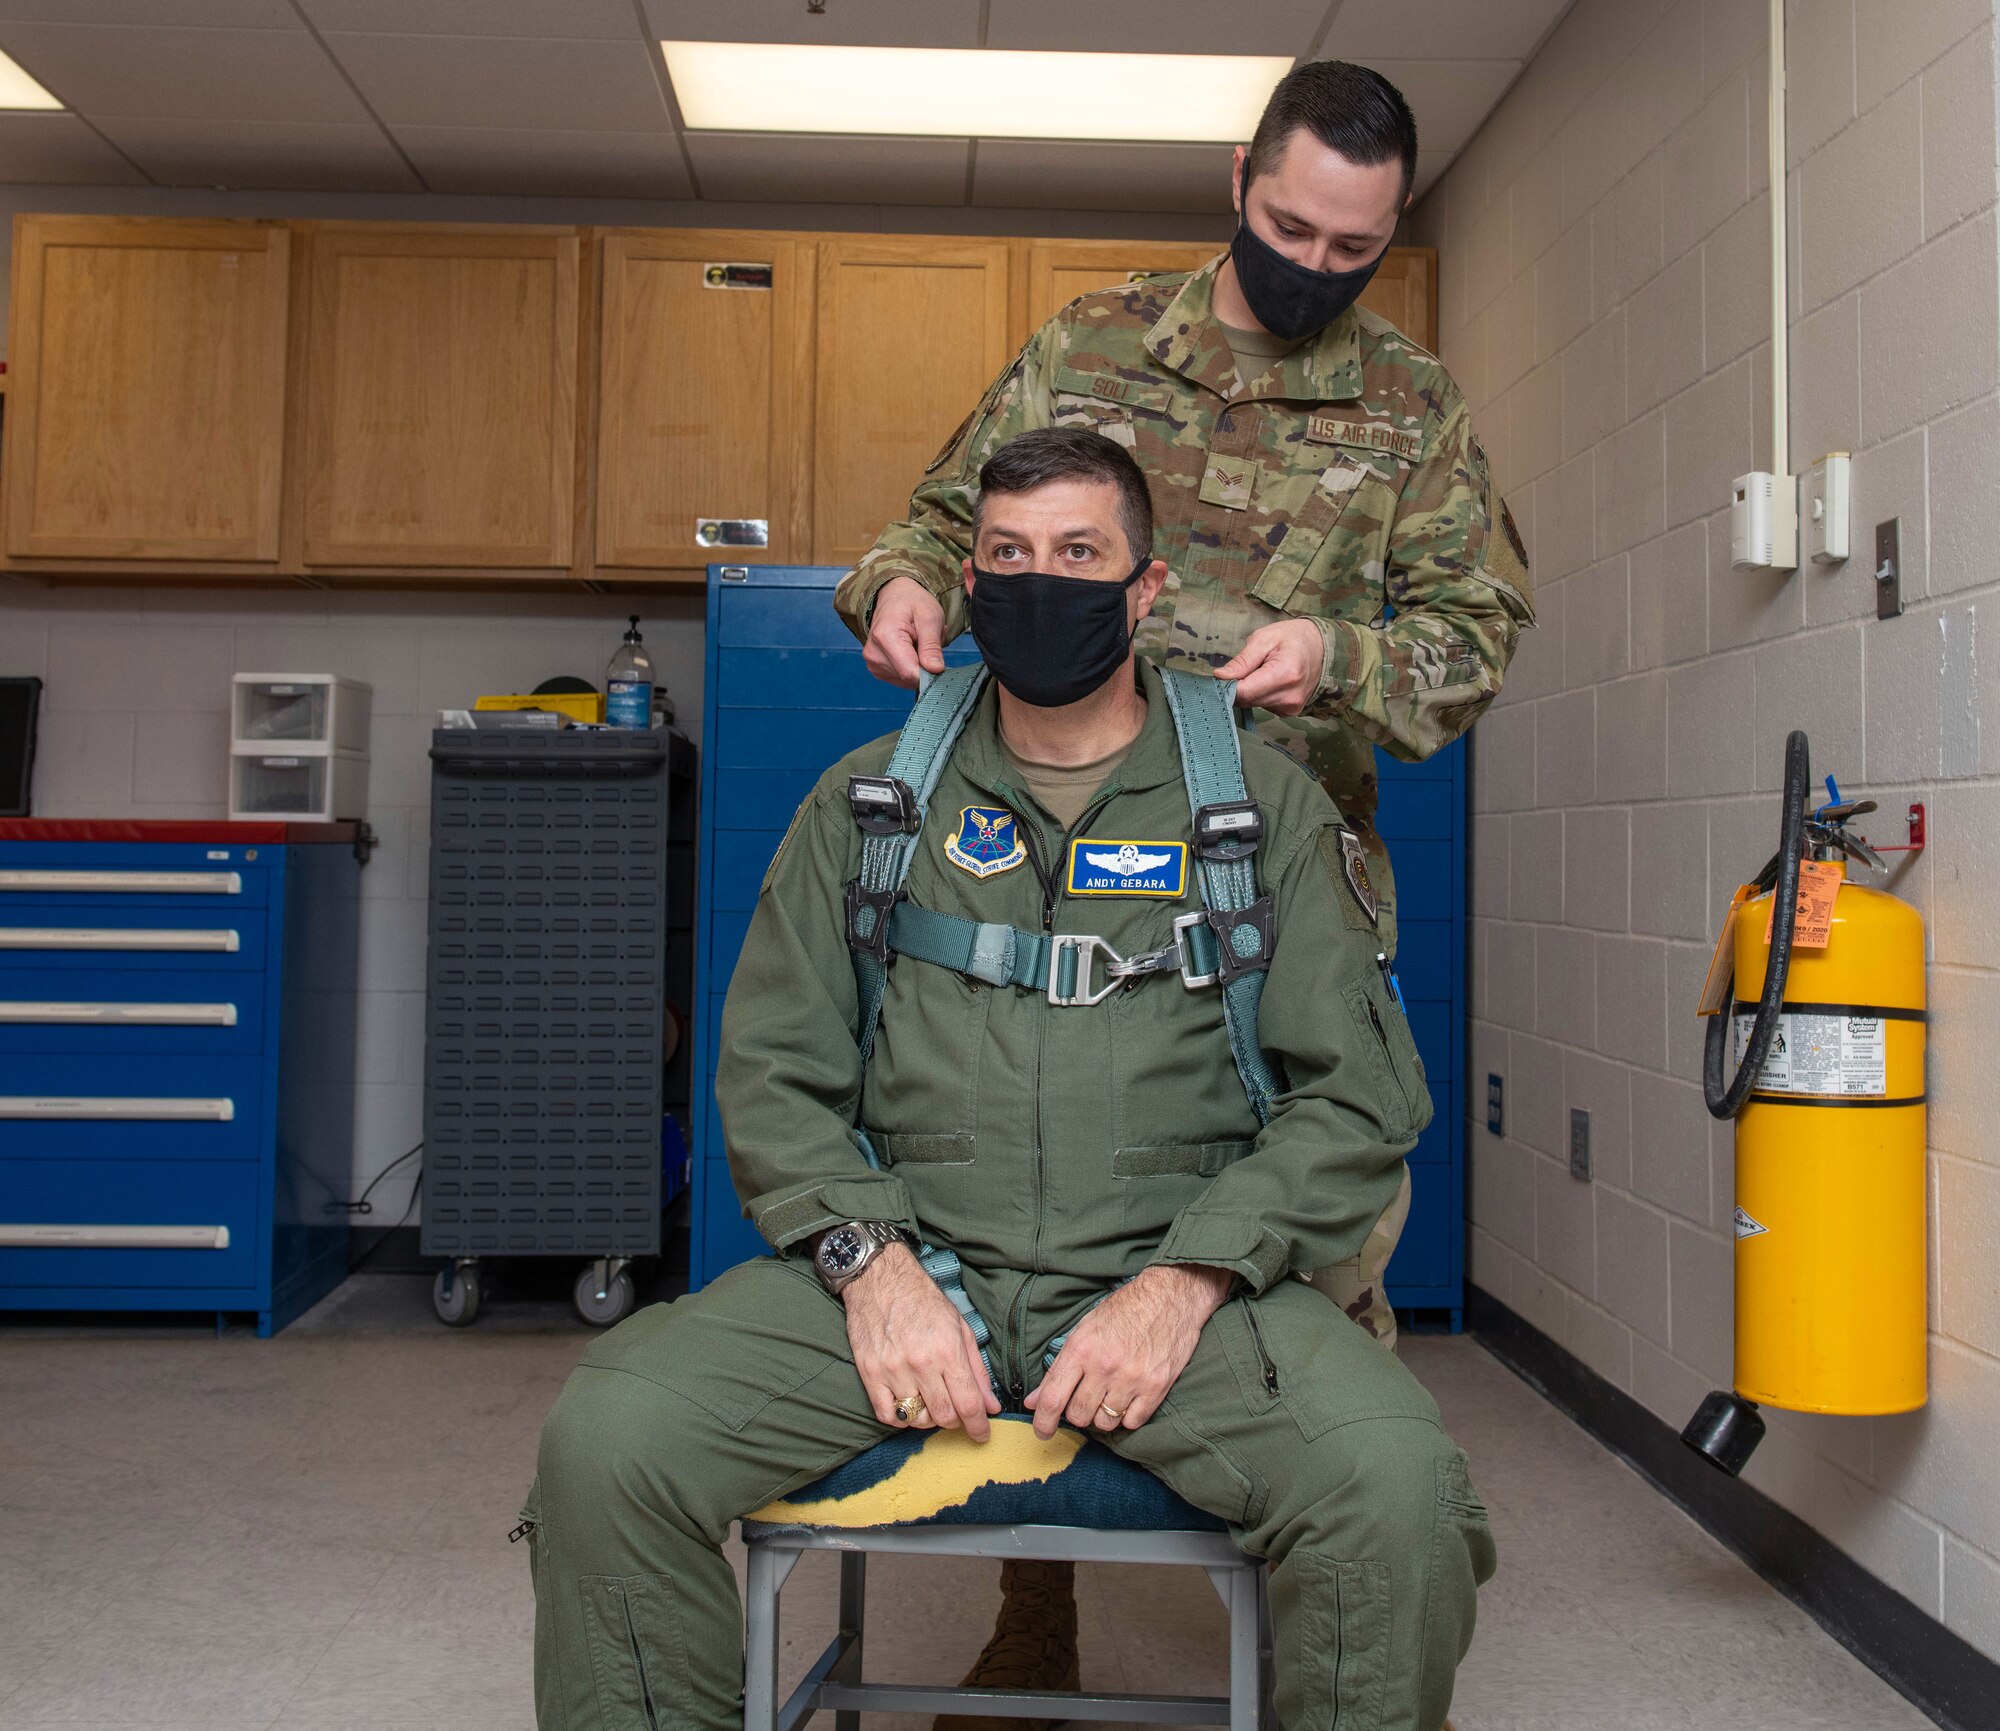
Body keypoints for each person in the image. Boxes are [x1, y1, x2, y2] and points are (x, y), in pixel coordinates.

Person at [525, 427, 1495, 1731]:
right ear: (972, 585)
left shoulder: (1257, 812)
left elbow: (1361, 1100)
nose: (1044, 585)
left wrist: (1182, 1282)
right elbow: (770, 1074)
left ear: (1145, 593)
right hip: (919, 1259)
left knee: (1397, 1493)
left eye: (1081, 555)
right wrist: (869, 1266)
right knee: (609, 1445)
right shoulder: (868, 806)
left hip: (1184, 1276)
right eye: (1009, 558)